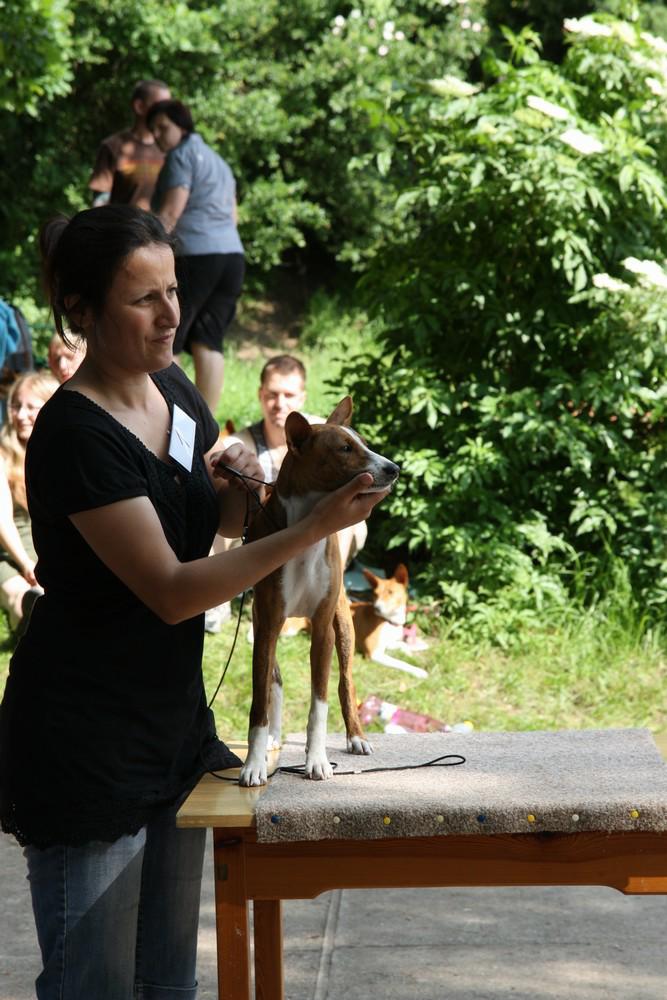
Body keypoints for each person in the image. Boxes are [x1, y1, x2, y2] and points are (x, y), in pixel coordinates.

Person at [0, 205, 389, 999]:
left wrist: (248, 486)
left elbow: (216, 518)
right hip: (87, 749)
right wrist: (308, 529)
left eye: (174, 290)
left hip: (172, 732)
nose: (172, 313)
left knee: (168, 983)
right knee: (96, 987)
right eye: (144, 298)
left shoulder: (173, 388)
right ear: (81, 309)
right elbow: (173, 592)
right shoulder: (76, 434)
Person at [148, 99, 244, 415]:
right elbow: (233, 216)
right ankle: (206, 424)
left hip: (197, 255)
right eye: (153, 129)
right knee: (209, 339)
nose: (157, 135)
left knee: (169, 333)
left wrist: (148, 251)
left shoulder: (180, 156)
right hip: (232, 256)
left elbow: (171, 211)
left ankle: (173, 417)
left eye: (163, 127)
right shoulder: (220, 162)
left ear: (182, 125)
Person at [227, 354, 368, 567]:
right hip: (266, 542)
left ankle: (334, 578)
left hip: (323, 542)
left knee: (350, 515)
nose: (280, 403)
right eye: (272, 395)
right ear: (260, 394)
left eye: (289, 395)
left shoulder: (328, 435)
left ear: (302, 397)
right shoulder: (240, 443)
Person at [0, 371, 58, 632]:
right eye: (16, 406)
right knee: (20, 596)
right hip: (12, 555)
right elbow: (3, 522)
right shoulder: (2, 456)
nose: (21, 415)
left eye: (31, 407)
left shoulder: (65, 452)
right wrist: (26, 565)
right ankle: (31, 620)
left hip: (51, 555)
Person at [88, 79, 171, 209]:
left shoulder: (171, 150)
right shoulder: (113, 146)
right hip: (122, 222)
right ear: (139, 107)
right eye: (160, 105)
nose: (167, 112)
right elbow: (100, 200)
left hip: (160, 223)